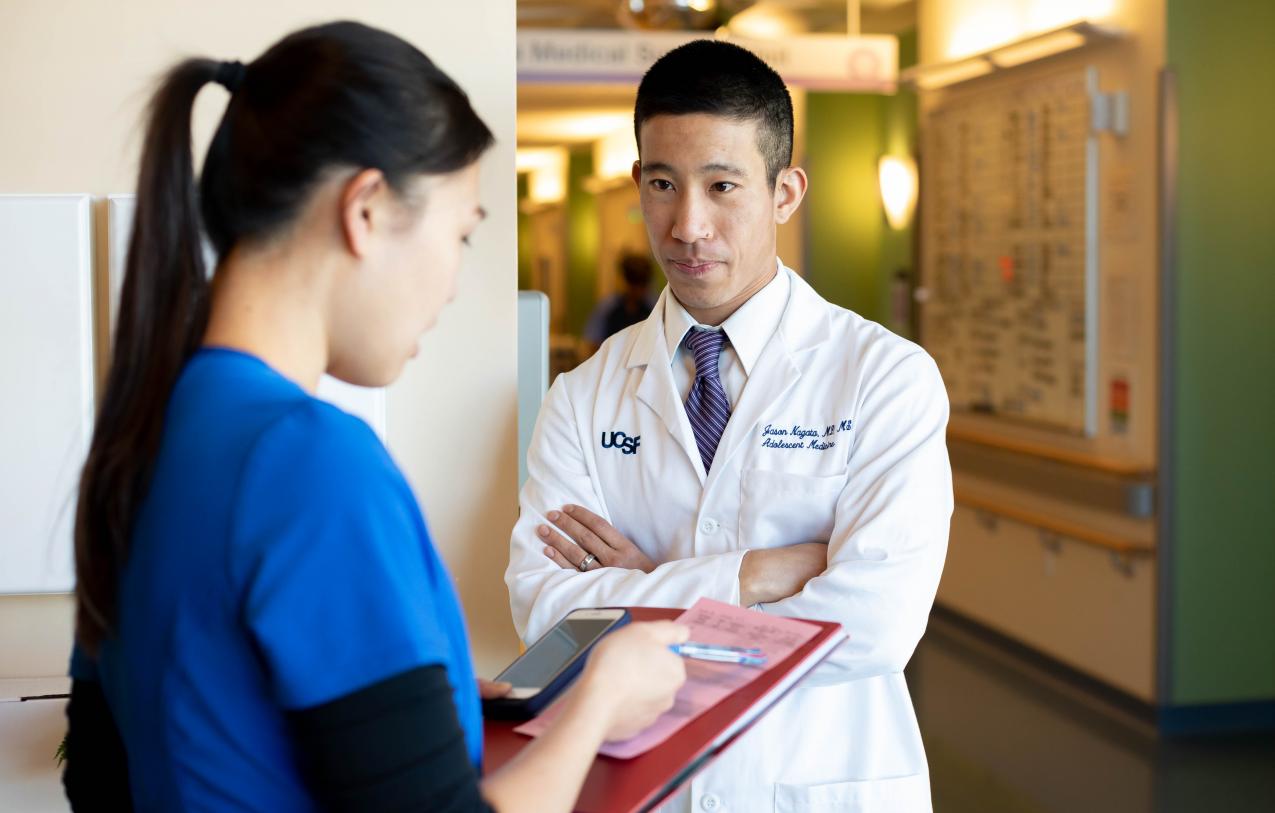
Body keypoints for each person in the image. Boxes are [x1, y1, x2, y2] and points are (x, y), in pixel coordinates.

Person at [62, 21, 688, 813]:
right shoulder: (310, 461)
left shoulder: (145, 434)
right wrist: (601, 699)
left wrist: (417, 719)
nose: (455, 283)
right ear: (364, 209)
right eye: (460, 234)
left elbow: (97, 774)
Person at [506, 40, 952, 812]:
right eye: (661, 184)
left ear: (785, 192)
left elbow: (874, 624)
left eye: (722, 185)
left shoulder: (885, 377)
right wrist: (753, 575)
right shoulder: (583, 395)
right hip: (637, 786)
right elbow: (545, 619)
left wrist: (645, 590)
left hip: (817, 780)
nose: (687, 225)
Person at [582, 252, 659, 352]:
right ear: (625, 281)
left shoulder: (655, 308)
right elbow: (593, 344)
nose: (637, 291)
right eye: (633, 285)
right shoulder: (607, 308)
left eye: (642, 285)